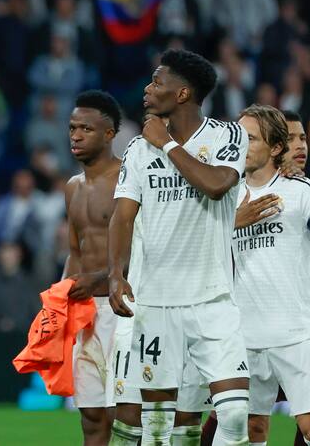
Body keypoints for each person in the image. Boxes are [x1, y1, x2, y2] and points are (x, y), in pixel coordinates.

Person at [108, 49, 250, 445]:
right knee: (157, 428)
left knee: (235, 413)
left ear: (183, 93)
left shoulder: (227, 135)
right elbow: (122, 217)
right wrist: (116, 273)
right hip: (154, 303)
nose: (147, 89)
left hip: (212, 299)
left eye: (157, 82)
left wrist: (168, 145)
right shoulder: (138, 148)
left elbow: (217, 184)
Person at [230, 105, 310, 446]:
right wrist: (232, 222)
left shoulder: (300, 192)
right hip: (244, 334)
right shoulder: (226, 196)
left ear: (275, 148)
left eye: (249, 139)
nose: (240, 145)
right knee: (251, 428)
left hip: (295, 331)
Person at [60, 90, 125, 445]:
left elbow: (143, 250)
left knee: (123, 414)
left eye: (86, 129)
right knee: (91, 415)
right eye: (73, 128)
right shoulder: (73, 187)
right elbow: (75, 250)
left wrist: (99, 280)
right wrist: (60, 301)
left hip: (123, 309)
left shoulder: (127, 180)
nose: (76, 135)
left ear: (110, 133)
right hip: (86, 312)